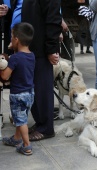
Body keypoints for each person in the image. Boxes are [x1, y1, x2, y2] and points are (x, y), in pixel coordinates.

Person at [10, 0, 62, 141]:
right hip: (26, 47)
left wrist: (51, 48)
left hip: (40, 48)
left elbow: (53, 19)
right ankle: (40, 123)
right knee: (31, 89)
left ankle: (46, 128)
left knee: (42, 89)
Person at [1, 22, 35, 155]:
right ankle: (16, 138)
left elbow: (5, 76)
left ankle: (27, 146)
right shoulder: (31, 55)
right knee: (22, 117)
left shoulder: (14, 58)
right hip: (30, 93)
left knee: (20, 121)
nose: (10, 40)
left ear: (16, 40)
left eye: (11, 38)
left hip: (18, 95)